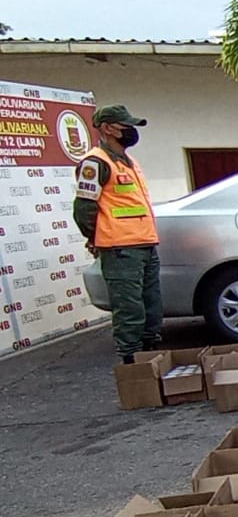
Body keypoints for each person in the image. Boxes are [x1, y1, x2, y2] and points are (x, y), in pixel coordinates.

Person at [73, 105, 162, 365]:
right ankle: (132, 362)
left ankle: (151, 352)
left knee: (151, 304)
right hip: (120, 247)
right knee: (129, 307)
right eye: (126, 126)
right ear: (107, 128)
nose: (131, 131)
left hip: (144, 243)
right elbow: (84, 208)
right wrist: (95, 237)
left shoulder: (129, 161)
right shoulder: (95, 163)